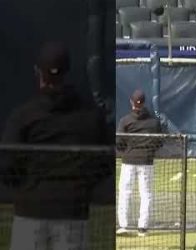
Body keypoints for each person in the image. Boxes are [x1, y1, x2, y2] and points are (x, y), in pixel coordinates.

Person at [0, 42, 111, 250]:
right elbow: (103, 163)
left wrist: (26, 190)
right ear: (67, 72)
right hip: (72, 212)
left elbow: (7, 164)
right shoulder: (90, 116)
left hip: (30, 210)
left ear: (38, 73)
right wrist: (81, 189)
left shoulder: (24, 116)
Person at [116, 90, 162, 237]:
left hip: (129, 161)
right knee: (146, 194)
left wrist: (126, 151)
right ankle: (142, 227)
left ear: (131, 102)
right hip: (146, 161)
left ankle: (123, 225)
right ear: (144, 102)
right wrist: (149, 150)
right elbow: (159, 141)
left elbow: (119, 143)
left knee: (125, 192)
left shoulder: (125, 121)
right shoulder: (154, 122)